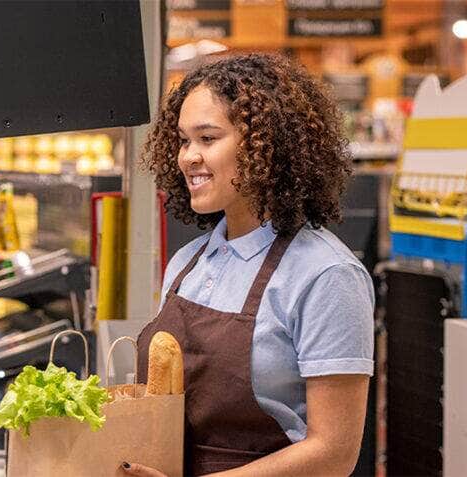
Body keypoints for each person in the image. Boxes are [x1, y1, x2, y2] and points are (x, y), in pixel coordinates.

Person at [123, 54, 374, 476]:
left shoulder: (327, 275)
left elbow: (334, 453)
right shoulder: (188, 263)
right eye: (183, 141)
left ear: (265, 144)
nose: (188, 157)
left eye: (207, 138)